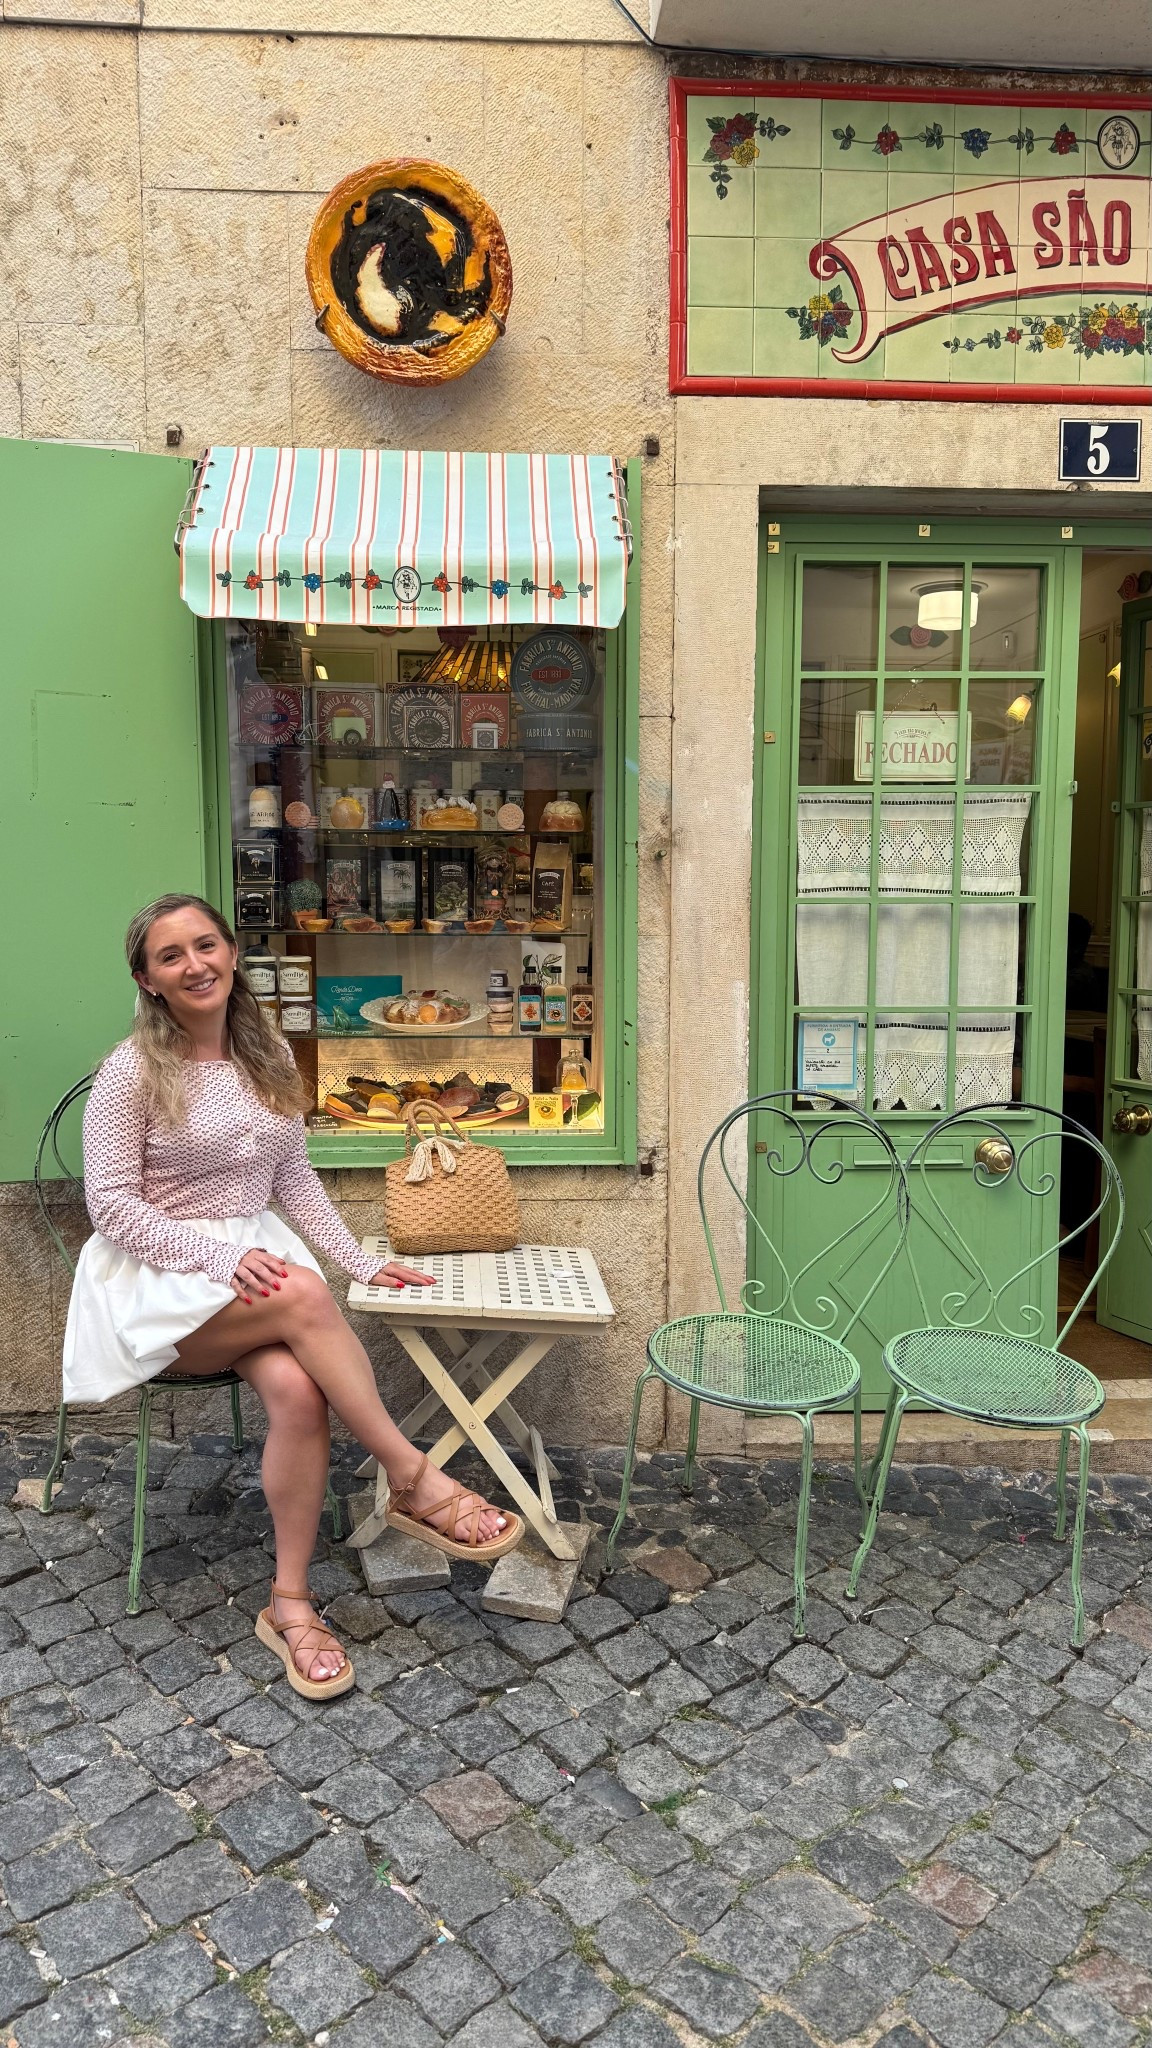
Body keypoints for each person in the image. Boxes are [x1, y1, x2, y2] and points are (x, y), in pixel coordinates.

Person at [63, 894, 522, 1701]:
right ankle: (412, 1477)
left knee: (300, 1394)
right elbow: (112, 1205)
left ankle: (290, 1604)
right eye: (171, 956)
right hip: (158, 1282)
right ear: (148, 978)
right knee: (303, 1291)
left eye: (206, 945)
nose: (194, 965)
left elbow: (291, 1178)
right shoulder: (129, 1071)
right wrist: (221, 1254)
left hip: (256, 1280)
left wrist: (360, 1263)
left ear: (232, 954)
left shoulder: (265, 1049)